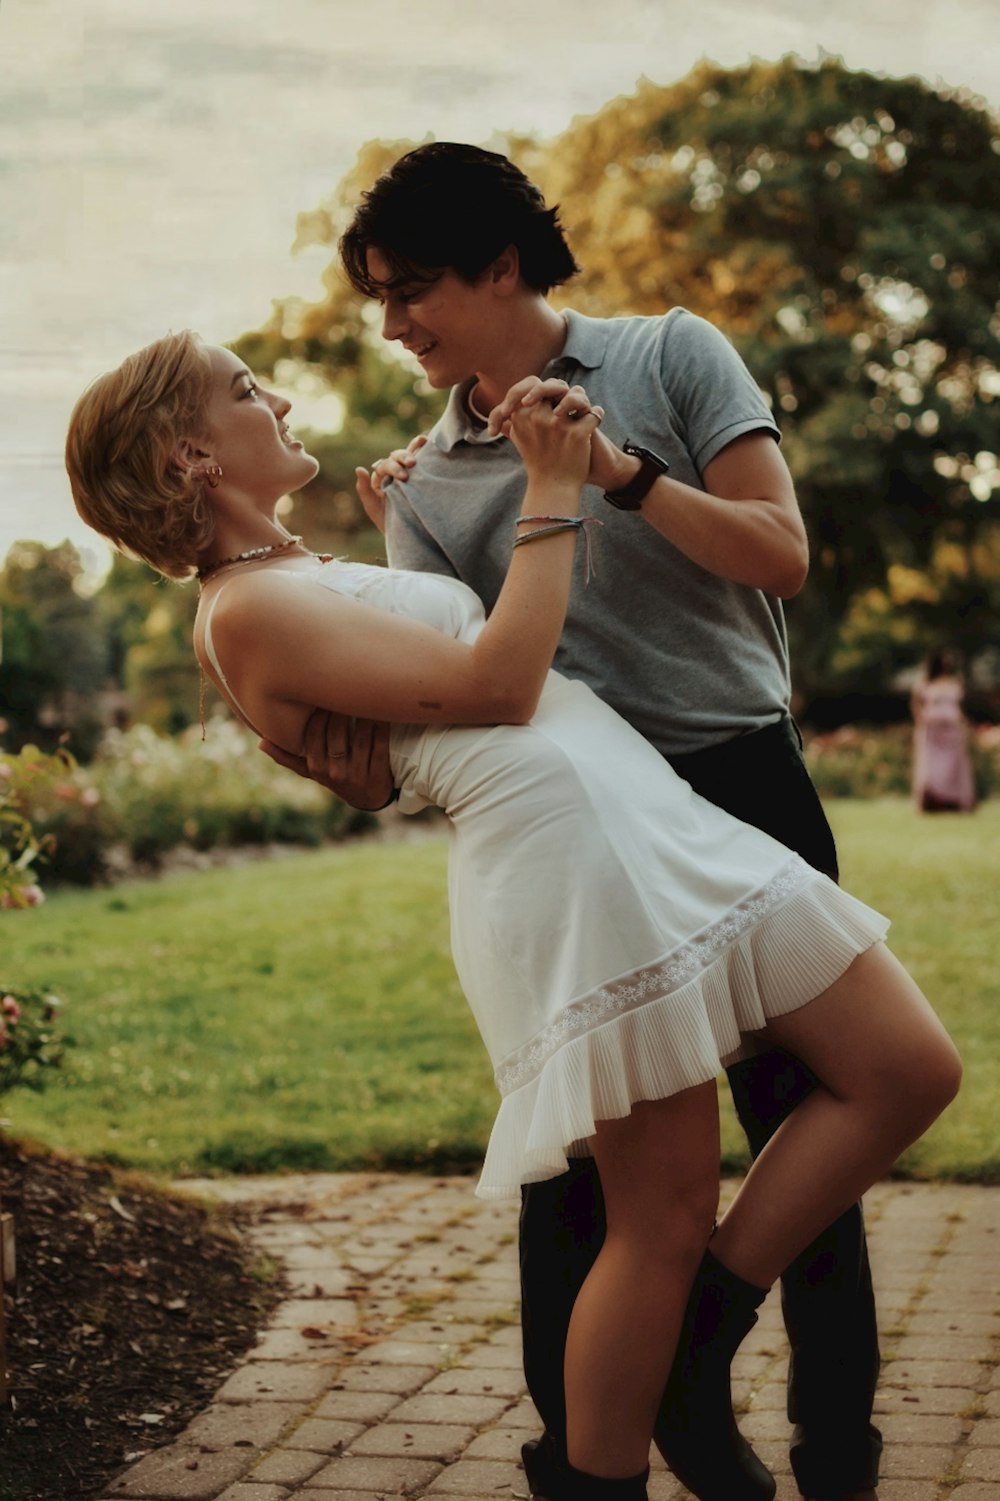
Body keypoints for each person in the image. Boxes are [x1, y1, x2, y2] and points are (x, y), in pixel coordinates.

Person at [65, 333, 960, 1501]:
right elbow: (500, 683)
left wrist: (403, 548)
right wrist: (549, 480)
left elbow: (440, 690)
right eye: (244, 391)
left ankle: (704, 1322)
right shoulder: (242, 611)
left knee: (905, 1069)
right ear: (189, 457)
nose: (277, 394)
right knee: (663, 1209)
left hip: (654, 821)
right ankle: (602, 1474)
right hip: (572, 864)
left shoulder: (297, 571)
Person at [266, 141, 886, 1501]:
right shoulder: (424, 481)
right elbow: (471, 688)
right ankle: (599, 1456)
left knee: (810, 1124)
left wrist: (617, 472)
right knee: (580, 1179)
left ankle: (833, 1450)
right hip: (593, 831)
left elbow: (780, 555)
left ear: (503, 264)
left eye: (412, 287)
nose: (391, 326)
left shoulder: (673, 355)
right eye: (377, 296)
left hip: (741, 785)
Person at [911, 649, 976, 813]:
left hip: (953, 730)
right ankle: (933, 800)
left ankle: (953, 801)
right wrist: (922, 720)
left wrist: (964, 723)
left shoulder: (956, 681)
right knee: (933, 766)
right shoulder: (925, 682)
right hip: (932, 730)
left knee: (954, 765)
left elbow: (959, 707)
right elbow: (916, 704)